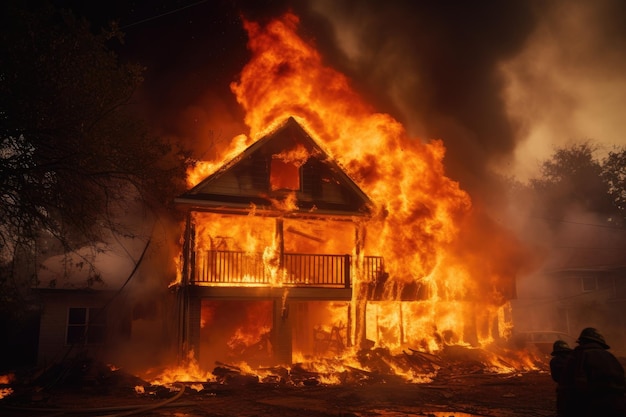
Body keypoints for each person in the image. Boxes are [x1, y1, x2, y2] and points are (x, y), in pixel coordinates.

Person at [562, 327, 626, 417]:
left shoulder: (578, 356)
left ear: (582, 341)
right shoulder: (610, 357)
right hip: (617, 405)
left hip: (592, 406)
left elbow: (569, 384)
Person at [550, 340, 574, 417]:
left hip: (563, 390)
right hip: (579, 389)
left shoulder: (554, 361)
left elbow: (555, 378)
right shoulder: (576, 358)